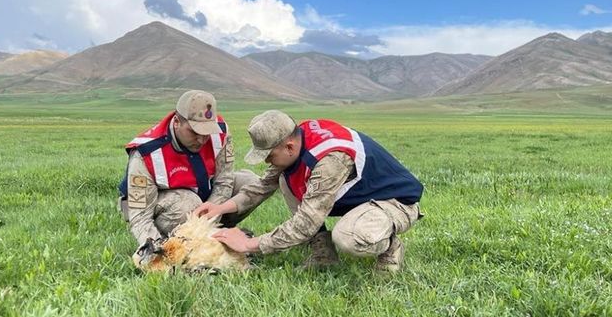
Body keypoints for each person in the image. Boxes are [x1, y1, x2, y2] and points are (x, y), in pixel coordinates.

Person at [193, 110, 424, 272]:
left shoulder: (329, 162)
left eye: (269, 156)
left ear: (289, 147)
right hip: (361, 200)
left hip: (394, 203)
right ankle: (323, 254)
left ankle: (390, 245)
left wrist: (250, 245)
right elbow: (263, 186)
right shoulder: (295, 138)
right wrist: (221, 207)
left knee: (349, 238)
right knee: (285, 179)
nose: (267, 163)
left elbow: (306, 223)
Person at [118, 90, 258, 246]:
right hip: (159, 204)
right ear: (177, 122)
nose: (202, 139)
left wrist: (210, 219)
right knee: (189, 203)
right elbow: (140, 216)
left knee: (252, 183)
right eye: (194, 132)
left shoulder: (221, 132)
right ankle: (176, 242)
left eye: (207, 132)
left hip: (203, 193)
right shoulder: (146, 153)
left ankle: (212, 234)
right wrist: (155, 249)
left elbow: (224, 181)